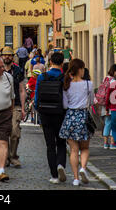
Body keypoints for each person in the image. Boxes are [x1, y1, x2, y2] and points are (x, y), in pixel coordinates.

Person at [59, 58, 94, 186]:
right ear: (80, 69)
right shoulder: (88, 84)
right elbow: (91, 101)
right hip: (83, 116)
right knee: (84, 148)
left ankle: (75, 178)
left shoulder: (66, 85)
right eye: (83, 68)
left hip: (70, 116)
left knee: (74, 150)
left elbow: (64, 104)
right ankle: (83, 168)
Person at [34, 51, 67, 185]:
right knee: (61, 142)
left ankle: (54, 175)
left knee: (49, 145)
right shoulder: (65, 77)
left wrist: (38, 109)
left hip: (45, 113)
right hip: (60, 113)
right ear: (62, 62)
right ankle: (61, 165)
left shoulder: (42, 77)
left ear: (51, 62)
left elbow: (36, 95)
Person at [0, 47, 25, 167]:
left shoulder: (18, 70)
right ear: (1, 56)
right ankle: (5, 157)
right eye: (5, 55)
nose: (7, 57)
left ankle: (13, 156)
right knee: (4, 132)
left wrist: (23, 108)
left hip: (15, 105)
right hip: (1, 105)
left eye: (9, 55)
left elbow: (21, 90)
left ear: (13, 57)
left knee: (15, 132)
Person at [96, 64, 116, 149]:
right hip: (113, 105)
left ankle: (105, 143)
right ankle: (113, 142)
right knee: (114, 124)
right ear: (115, 71)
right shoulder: (114, 81)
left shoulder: (106, 78)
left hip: (105, 105)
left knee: (107, 123)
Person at [106, 68, 116, 151]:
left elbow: (108, 98)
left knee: (115, 129)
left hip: (114, 109)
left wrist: (107, 108)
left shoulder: (112, 84)